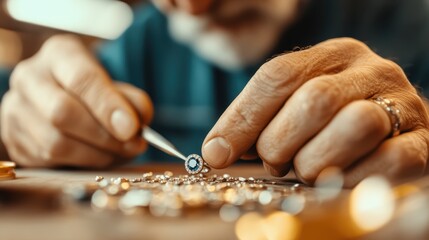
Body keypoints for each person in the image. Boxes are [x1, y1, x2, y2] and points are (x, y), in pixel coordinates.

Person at [1, 0, 429, 187]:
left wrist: (417, 126)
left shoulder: (410, 20)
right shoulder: (140, 43)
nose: (192, 7)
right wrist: (19, 113)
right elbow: (25, 100)